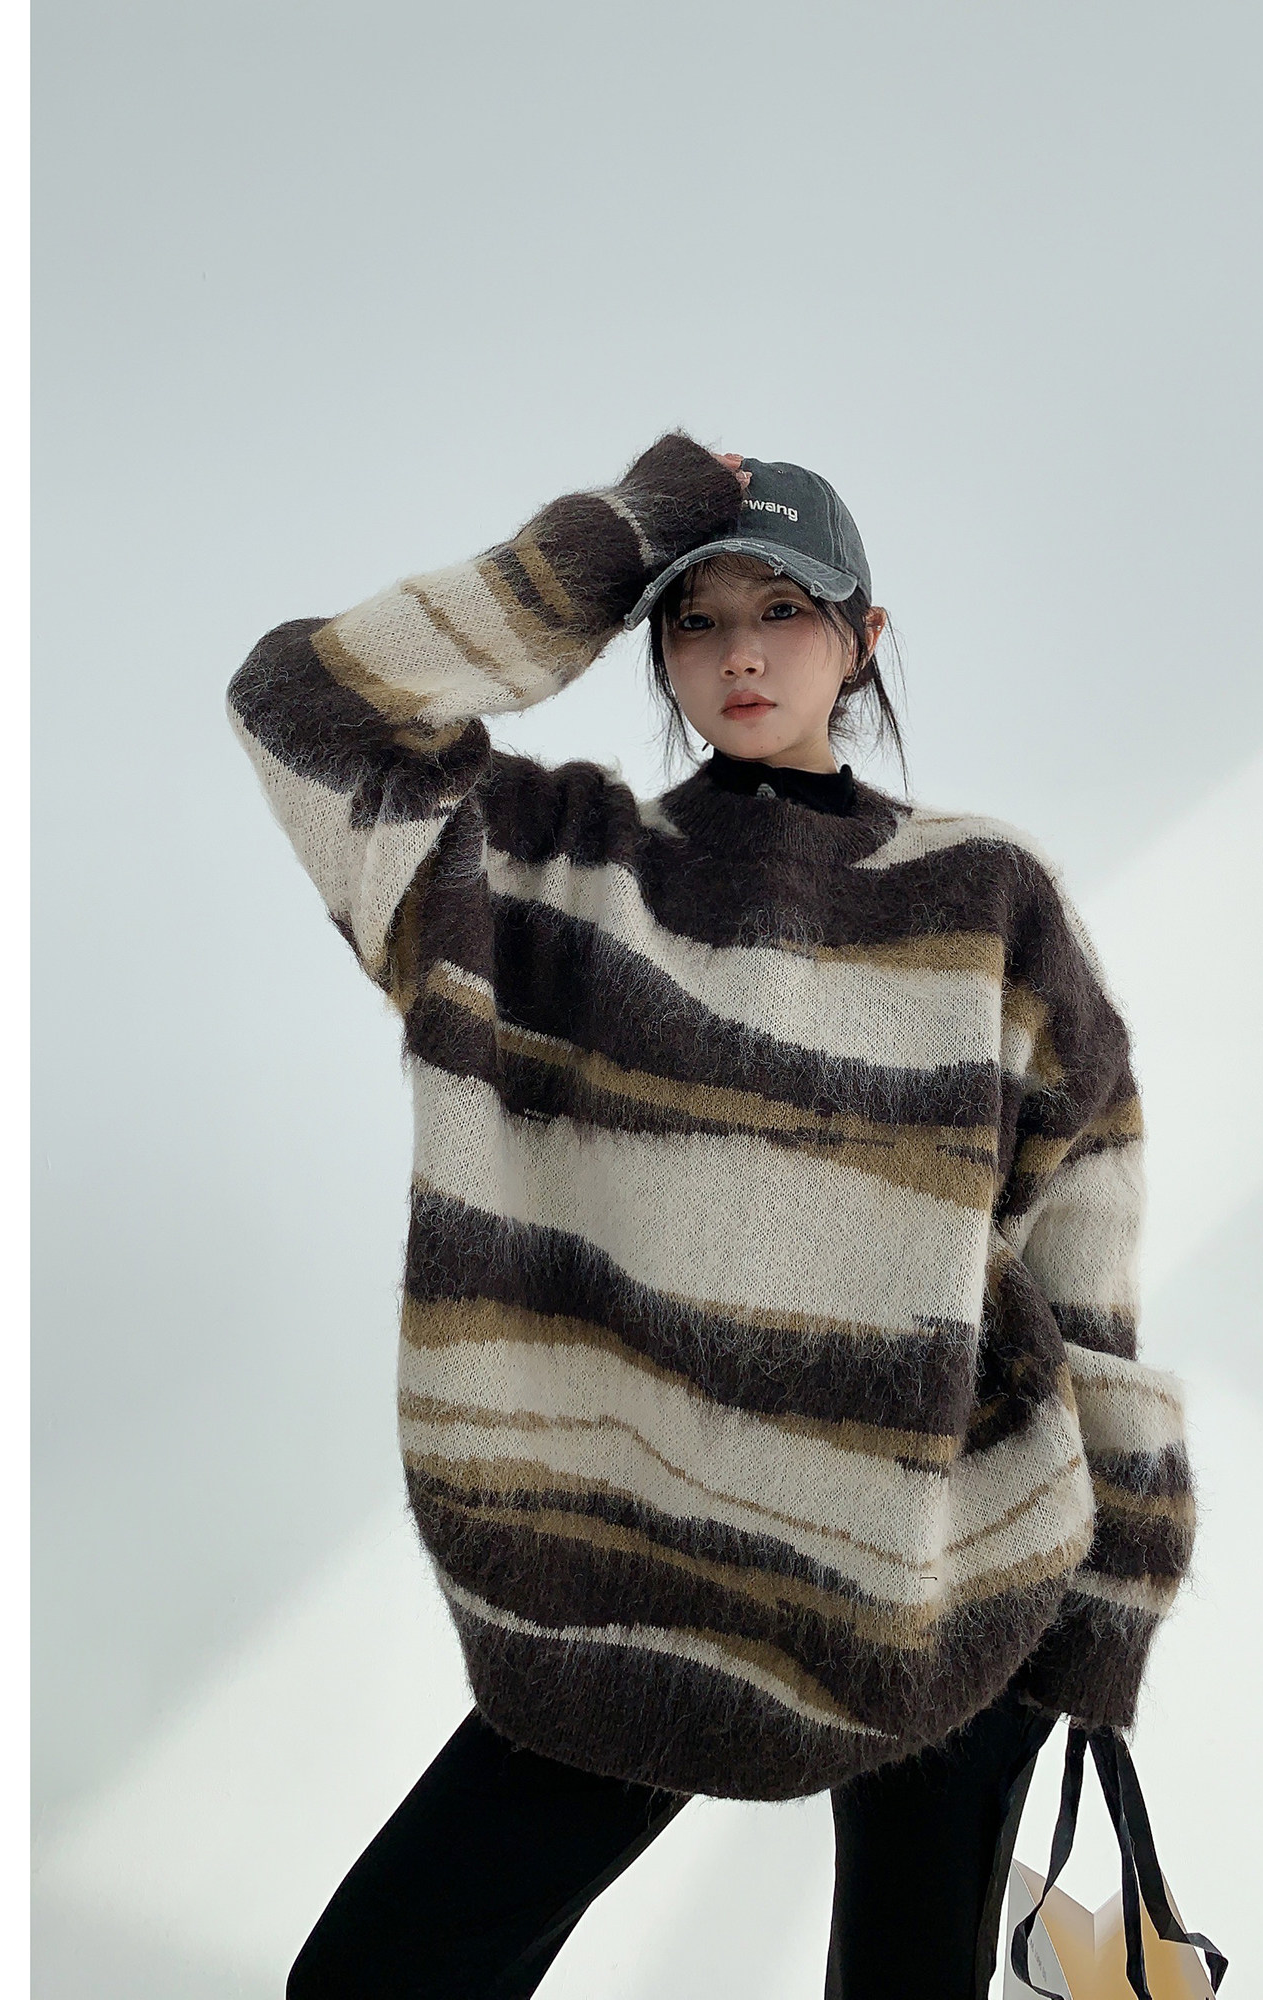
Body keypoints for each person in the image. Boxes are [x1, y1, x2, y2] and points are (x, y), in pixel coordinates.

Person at [227, 434, 1196, 1998]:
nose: (741, 654)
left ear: (864, 638)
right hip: (650, 1582)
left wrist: (1112, 1602)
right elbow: (307, 707)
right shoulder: (553, 870)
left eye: (786, 612)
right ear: (655, 641)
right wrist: (623, 533)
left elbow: (1083, 1235)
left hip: (949, 1564)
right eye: (697, 619)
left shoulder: (987, 897)